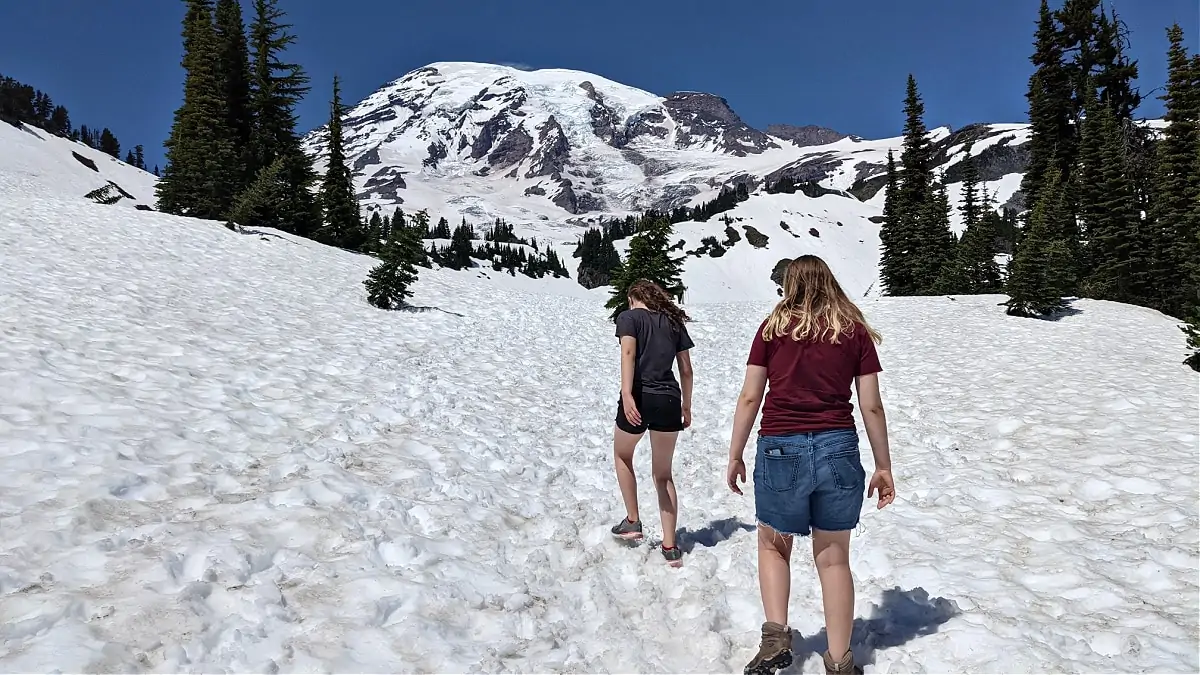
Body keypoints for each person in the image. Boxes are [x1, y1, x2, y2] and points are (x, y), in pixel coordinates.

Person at [725, 255, 895, 675]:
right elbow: (871, 405)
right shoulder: (853, 332)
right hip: (838, 448)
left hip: (781, 448)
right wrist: (883, 465)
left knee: (773, 544)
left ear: (789, 286)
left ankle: (775, 643)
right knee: (834, 558)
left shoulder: (772, 330)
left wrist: (735, 453)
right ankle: (839, 661)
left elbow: (750, 397)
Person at [609, 279, 695, 567]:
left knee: (623, 455)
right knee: (663, 474)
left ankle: (632, 521)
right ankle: (670, 547)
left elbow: (628, 353)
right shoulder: (673, 322)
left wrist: (627, 393)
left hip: (641, 396)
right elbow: (686, 368)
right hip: (670, 399)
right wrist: (686, 404)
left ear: (633, 297)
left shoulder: (629, 318)